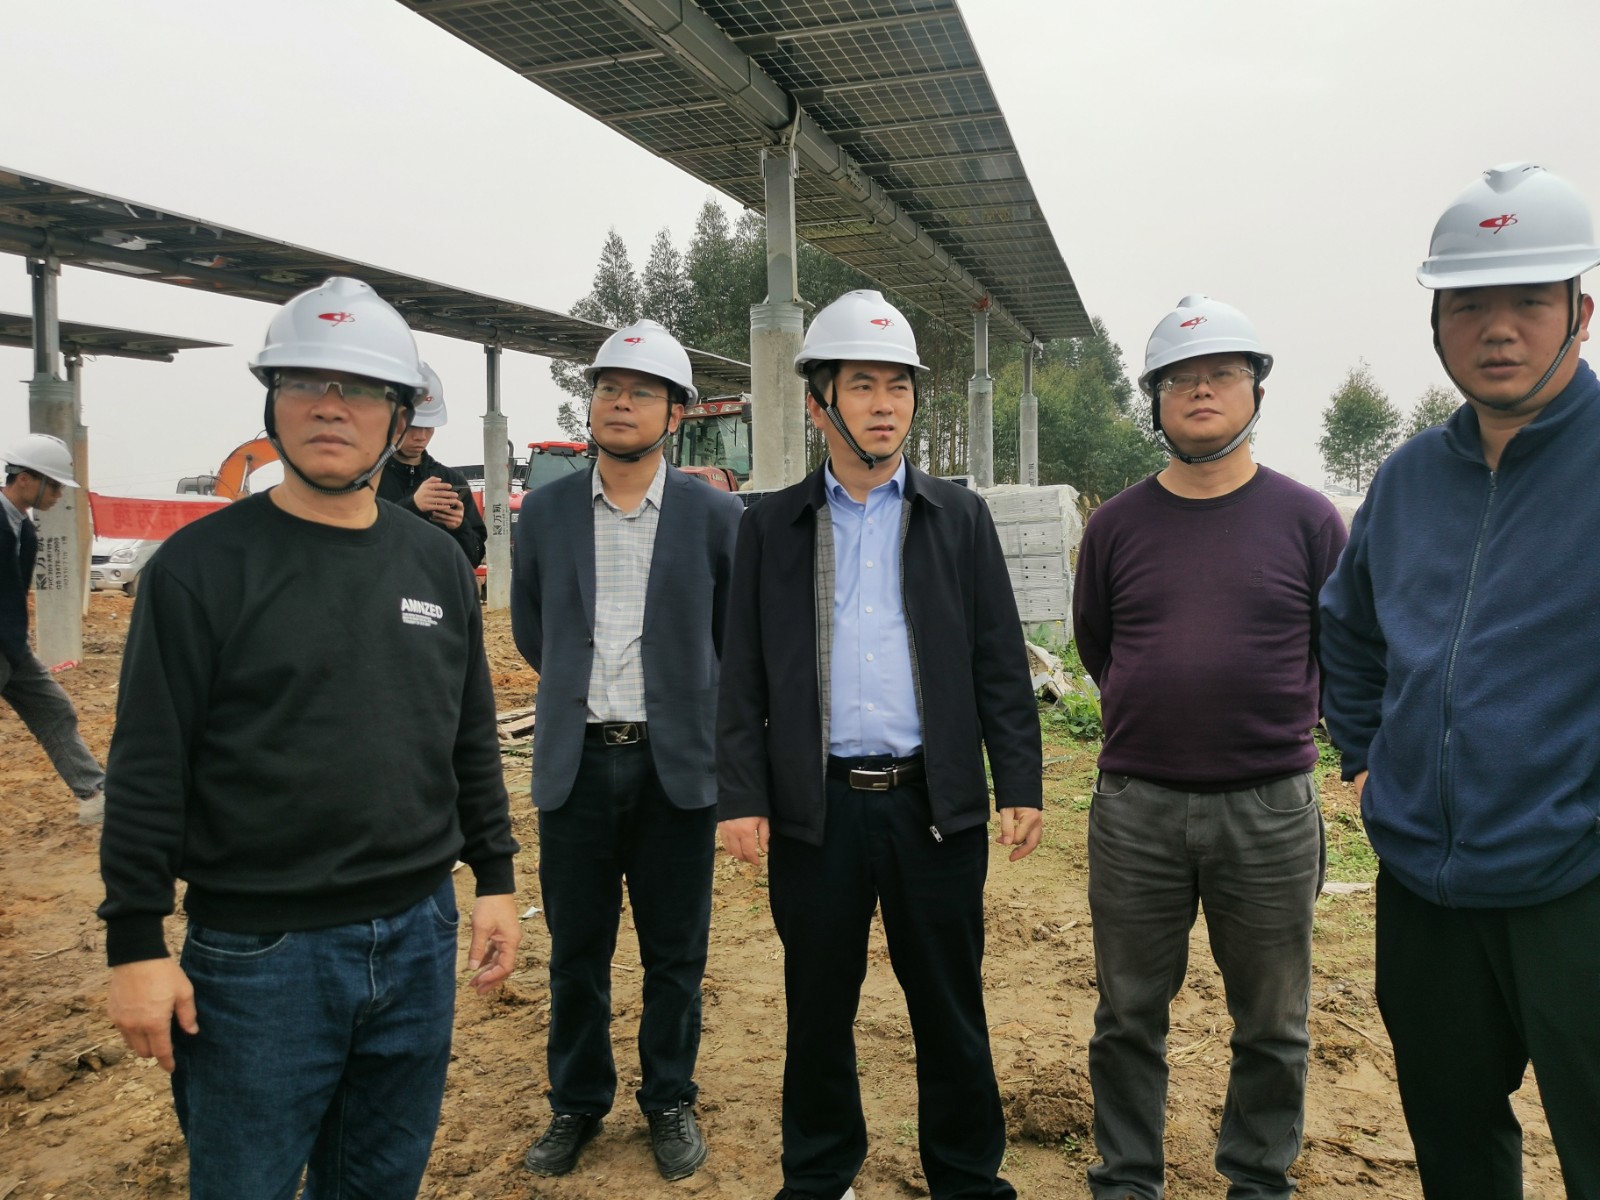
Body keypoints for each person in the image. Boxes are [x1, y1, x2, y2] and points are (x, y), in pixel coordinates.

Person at [97, 276, 521, 1200]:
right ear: (272, 402)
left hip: (419, 936)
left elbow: (468, 735)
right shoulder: (201, 568)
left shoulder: (434, 562)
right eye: (305, 383)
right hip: (261, 956)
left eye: (360, 387)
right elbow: (148, 765)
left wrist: (495, 878)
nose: (331, 406)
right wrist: (135, 940)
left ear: (399, 414)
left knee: (379, 1183)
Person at [717, 289, 1043, 1200]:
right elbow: (741, 674)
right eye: (862, 384)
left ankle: (967, 1179)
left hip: (931, 807)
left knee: (949, 1006)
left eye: (899, 385)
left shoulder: (957, 518)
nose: (886, 404)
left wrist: (1019, 781)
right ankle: (819, 1175)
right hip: (816, 809)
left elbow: (998, 662)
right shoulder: (769, 527)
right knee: (818, 1009)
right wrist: (741, 795)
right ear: (819, 402)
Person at [1320, 162, 1600, 1199]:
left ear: (1580, 313)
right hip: (1425, 896)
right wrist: (1364, 759)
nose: (1498, 330)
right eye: (1470, 304)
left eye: (1529, 301)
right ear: (1436, 324)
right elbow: (1349, 631)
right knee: (1453, 1141)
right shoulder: (1405, 480)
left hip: (1575, 888)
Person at [1072, 295, 1346, 1200]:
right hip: (1136, 808)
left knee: (1273, 1020)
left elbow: (1338, 647)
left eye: (1222, 373)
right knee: (1127, 1015)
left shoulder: (1308, 520)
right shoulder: (1115, 526)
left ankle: (1258, 1180)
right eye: (1180, 378)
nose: (1201, 391)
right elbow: (1098, 644)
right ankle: (1126, 1179)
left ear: (1255, 391)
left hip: (1269, 808)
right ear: (1154, 400)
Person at [511, 318, 741, 1182]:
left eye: (643, 392)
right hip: (576, 764)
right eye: (609, 387)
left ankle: (669, 1098)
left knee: (675, 954)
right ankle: (576, 1102)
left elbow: (732, 638)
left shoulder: (714, 516)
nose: (620, 402)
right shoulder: (549, 512)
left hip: (673, 767)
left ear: (674, 413)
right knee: (577, 953)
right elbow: (534, 629)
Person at [1, 433, 106, 824]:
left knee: (54, 709)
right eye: (56, 484)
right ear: (25, 479)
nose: (60, 494)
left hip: (11, 646)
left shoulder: (24, 529)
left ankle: (94, 792)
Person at [377, 361, 487, 567]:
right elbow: (356, 542)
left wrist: (459, 527)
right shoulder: (367, 477)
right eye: (414, 426)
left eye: (429, 427)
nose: (421, 436)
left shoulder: (451, 481)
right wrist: (413, 507)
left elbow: (473, 558)